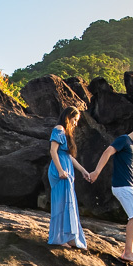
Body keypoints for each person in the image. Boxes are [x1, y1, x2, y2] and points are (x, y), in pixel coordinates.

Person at [90, 121, 133, 263]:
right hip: (122, 186)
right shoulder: (124, 140)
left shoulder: (131, 146)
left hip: (131, 187)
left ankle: (129, 250)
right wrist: (96, 172)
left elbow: (131, 170)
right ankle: (128, 252)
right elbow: (107, 151)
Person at [48, 106, 92, 249]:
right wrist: (60, 170)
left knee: (69, 203)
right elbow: (53, 151)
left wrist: (83, 171)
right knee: (62, 204)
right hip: (60, 171)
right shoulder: (59, 129)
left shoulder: (66, 133)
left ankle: (69, 237)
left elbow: (69, 157)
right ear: (68, 117)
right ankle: (59, 238)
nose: (75, 123)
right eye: (75, 119)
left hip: (67, 171)